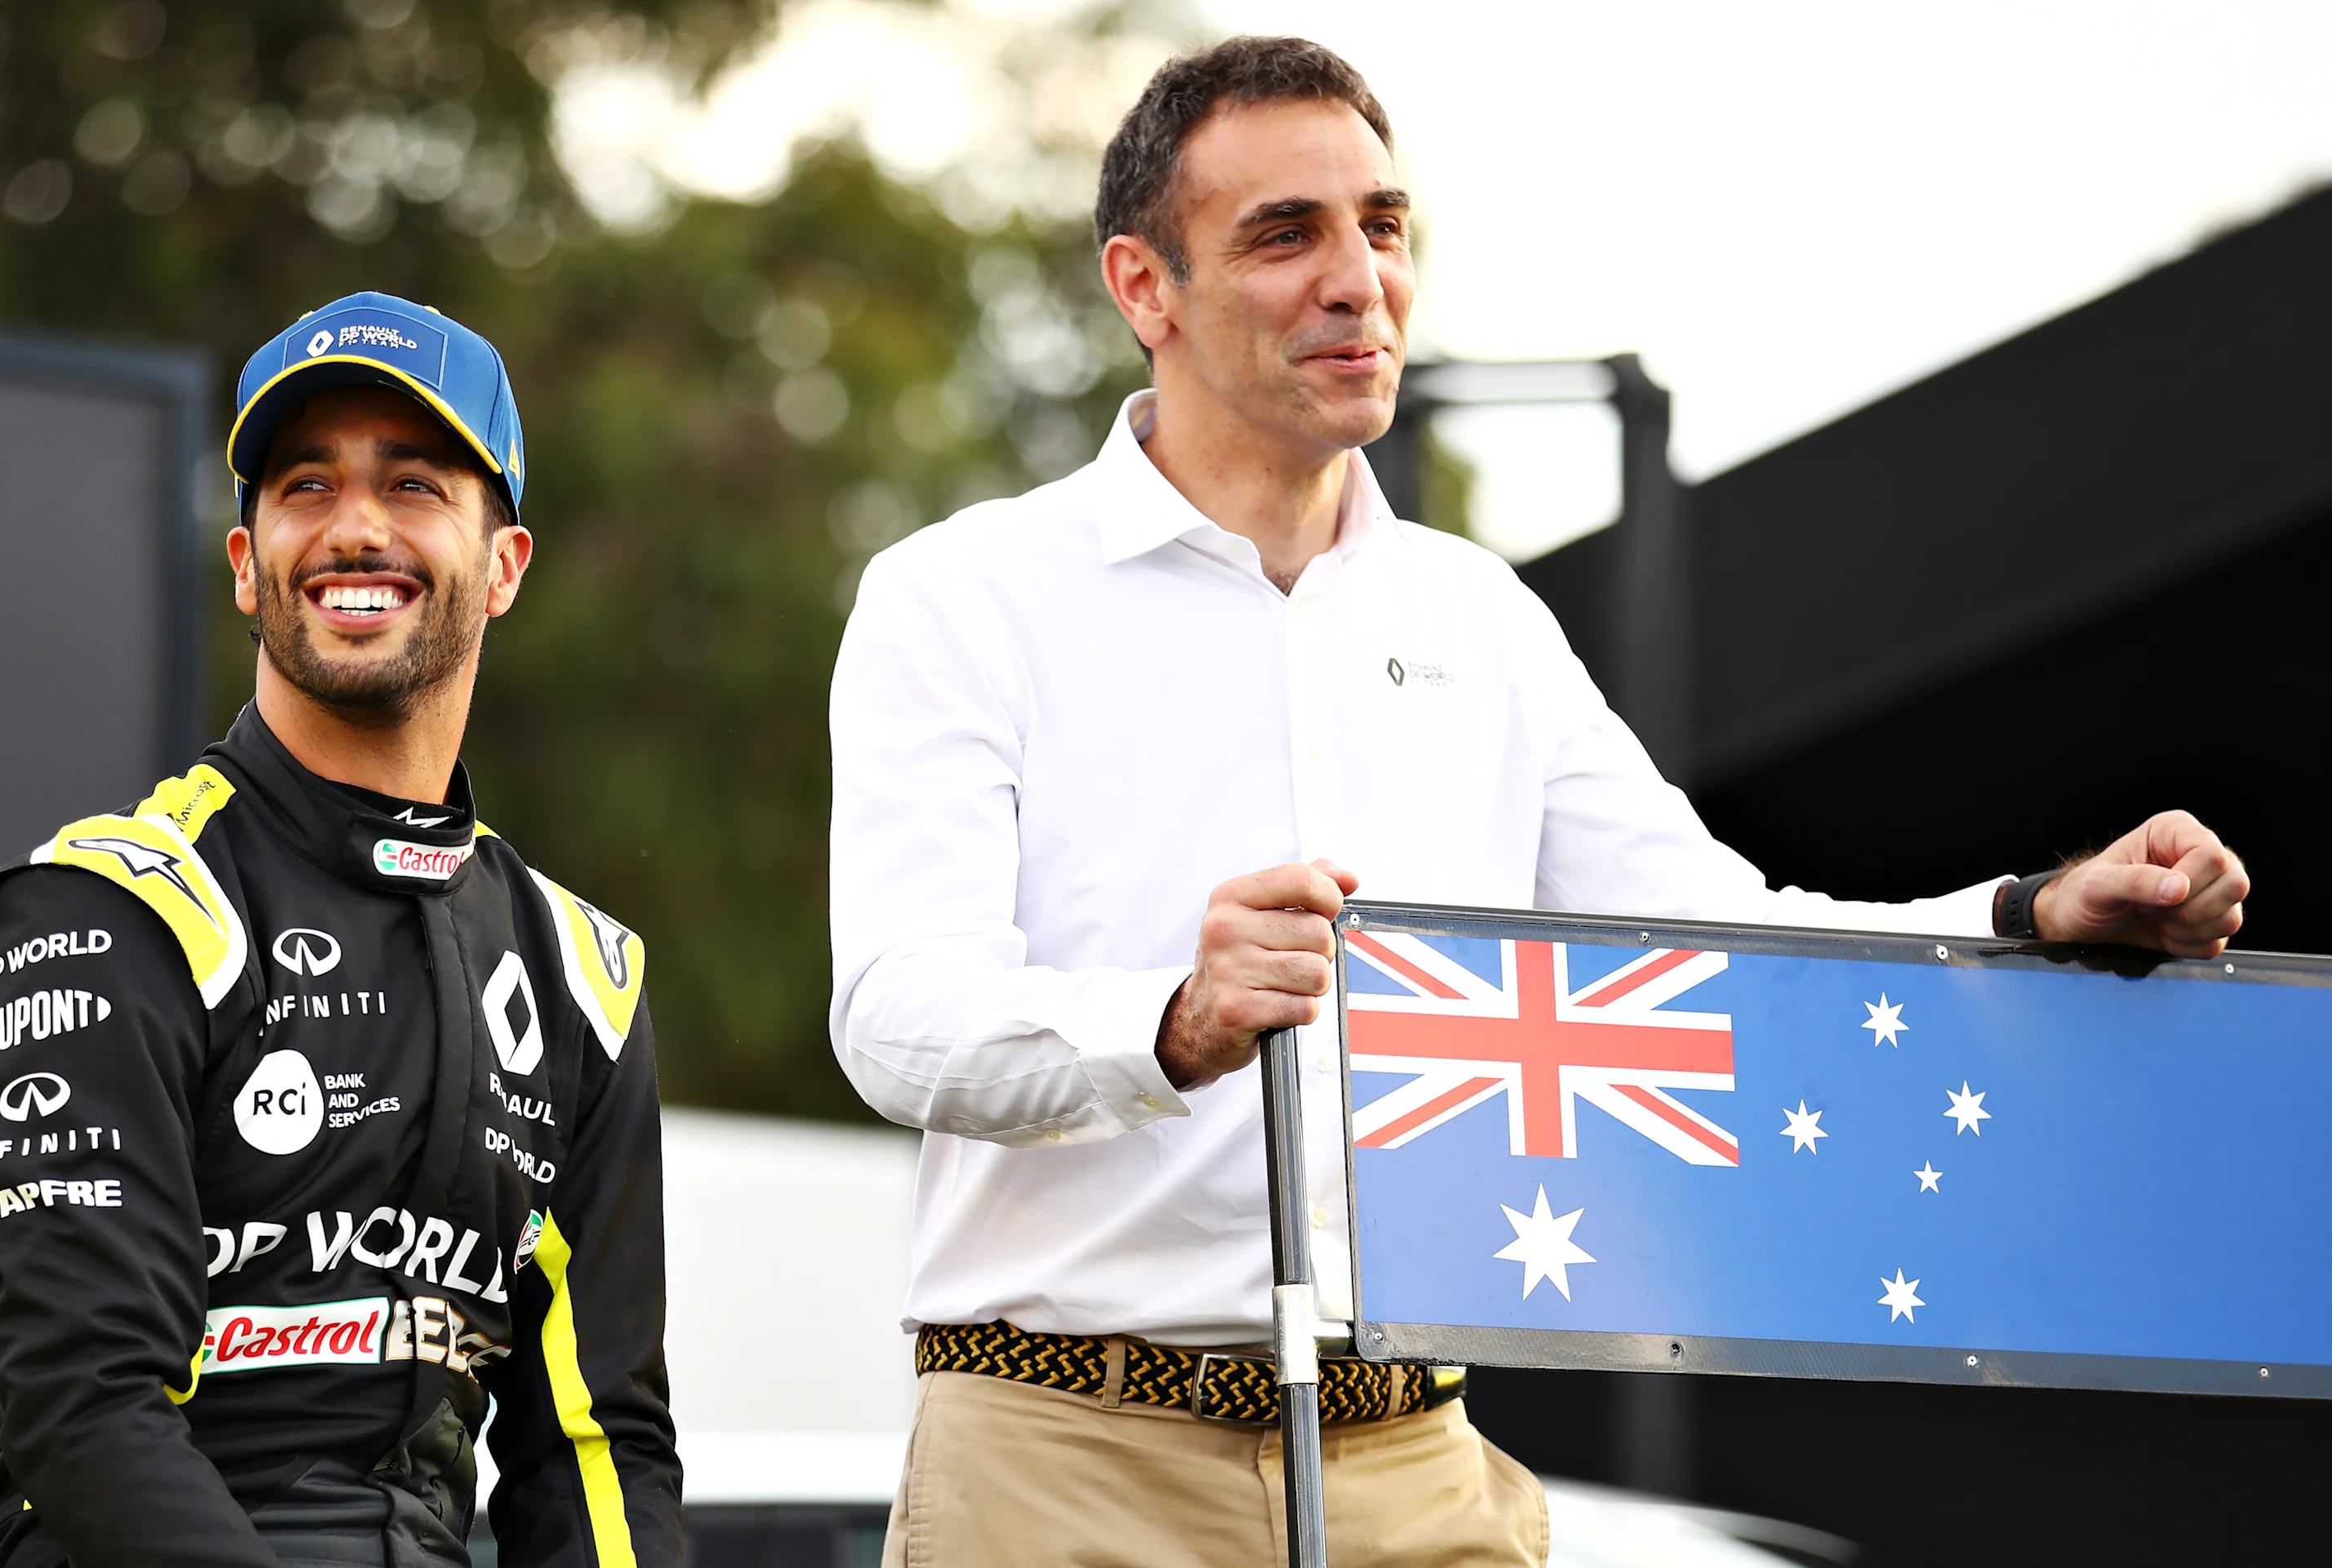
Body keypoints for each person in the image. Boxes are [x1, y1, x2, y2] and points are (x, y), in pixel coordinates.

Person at [828, 36, 2250, 1568]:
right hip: (1065, 1464)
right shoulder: (959, 599)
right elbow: (897, 1017)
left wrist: (2033, 914)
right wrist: (1170, 1021)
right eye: (1284, 234)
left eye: (1382, 224)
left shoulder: (1478, 617)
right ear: (1142, 287)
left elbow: (1720, 943)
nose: (1357, 278)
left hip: (1419, 1460)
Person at [0, 292, 679, 1568]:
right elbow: (85, 1409)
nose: (356, 528)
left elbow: (598, 1449)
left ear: (504, 566)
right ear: (245, 561)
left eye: (417, 483)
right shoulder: (107, 913)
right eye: (306, 486)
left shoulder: (576, 975)